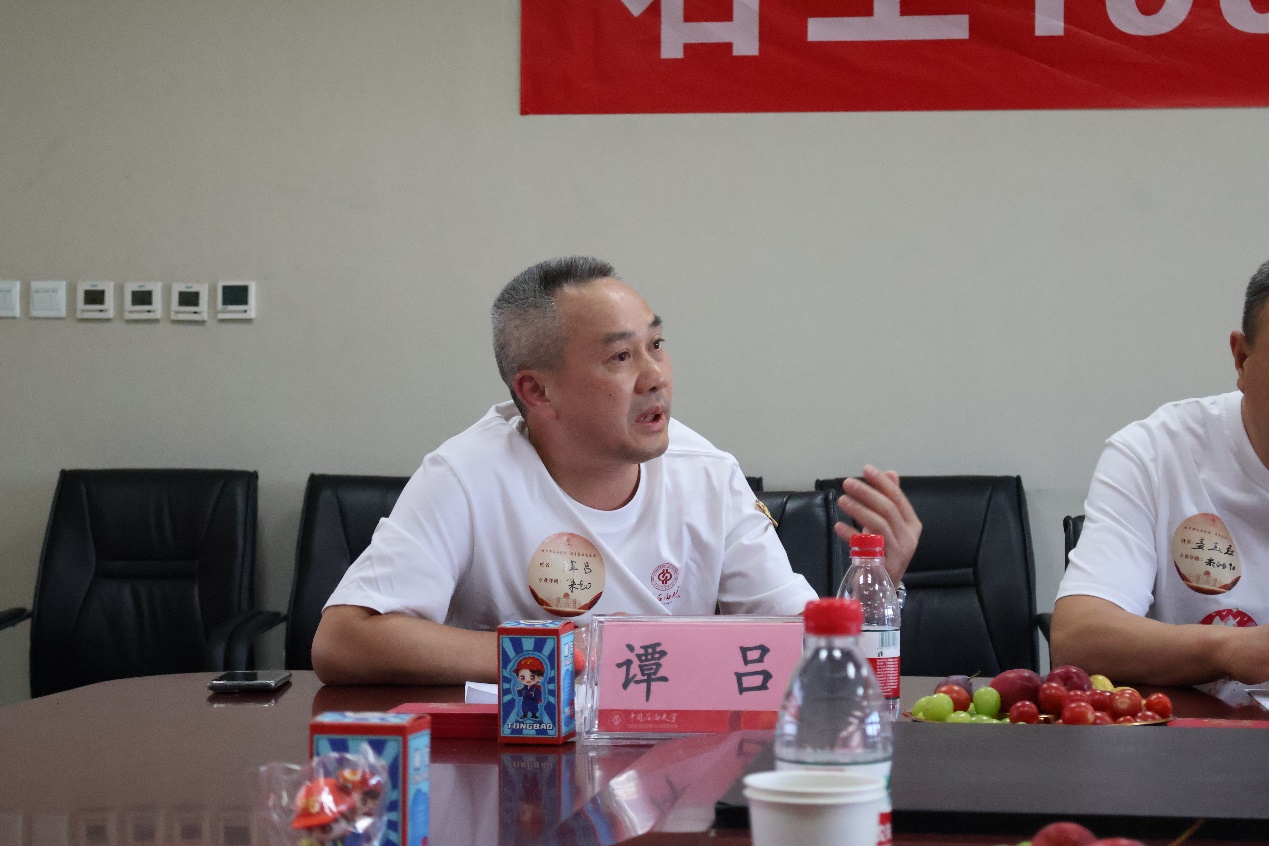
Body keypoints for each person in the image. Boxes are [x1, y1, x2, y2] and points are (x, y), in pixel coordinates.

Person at [312, 257, 921, 685]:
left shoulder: (707, 475)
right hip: (515, 770)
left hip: (673, 774)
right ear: (537, 391)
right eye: (621, 356)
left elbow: (802, 648)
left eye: (657, 345)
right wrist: (563, 653)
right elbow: (343, 640)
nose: (655, 377)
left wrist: (878, 581)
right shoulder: (467, 475)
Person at [1051, 259, 1269, 688]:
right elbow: (1077, 639)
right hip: (1202, 725)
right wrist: (1231, 650)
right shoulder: (1156, 453)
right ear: (1242, 358)